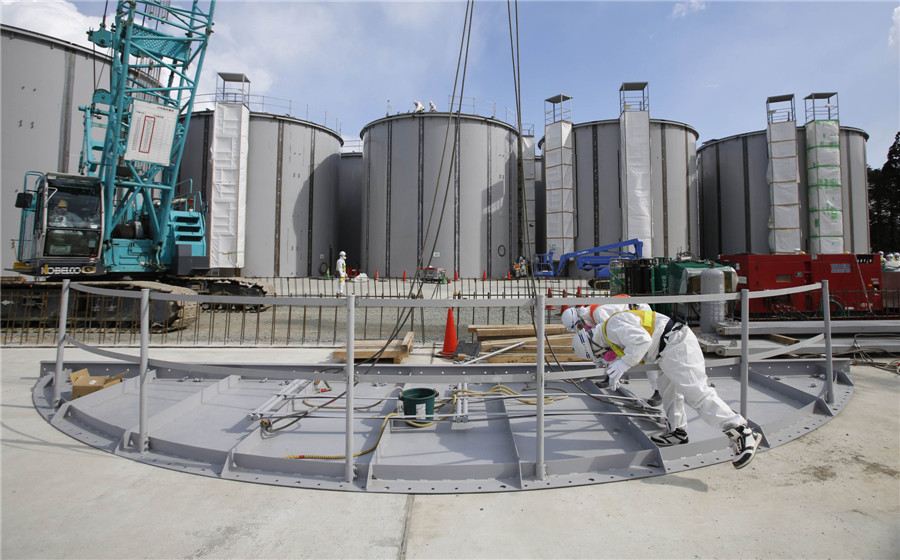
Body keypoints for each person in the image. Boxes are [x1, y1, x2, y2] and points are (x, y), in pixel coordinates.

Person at [571, 305, 762, 469]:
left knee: (697, 393)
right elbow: (633, 343)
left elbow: (642, 340)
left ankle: (740, 432)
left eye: (596, 354)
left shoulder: (611, 327)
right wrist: (620, 363)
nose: (601, 355)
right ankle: (677, 431)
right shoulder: (608, 330)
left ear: (593, 345)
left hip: (676, 344)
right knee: (669, 393)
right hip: (666, 349)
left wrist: (624, 363)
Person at [561, 302, 662, 407]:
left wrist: (619, 365)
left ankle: (658, 391)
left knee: (647, 355)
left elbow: (611, 341)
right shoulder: (592, 315)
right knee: (639, 351)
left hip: (643, 319)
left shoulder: (598, 314)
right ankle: (609, 377)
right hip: (635, 319)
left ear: (580, 319)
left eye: (580, 325)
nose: (582, 328)